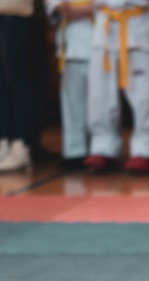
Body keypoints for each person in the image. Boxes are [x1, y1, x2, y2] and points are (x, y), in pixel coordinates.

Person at [84, 0, 149, 174]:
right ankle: (103, 146)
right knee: (100, 95)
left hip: (137, 26)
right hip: (104, 27)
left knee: (144, 96)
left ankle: (145, 148)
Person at [46, 0, 93, 170]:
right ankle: (74, 152)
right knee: (72, 102)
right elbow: (58, 8)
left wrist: (88, 9)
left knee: (100, 105)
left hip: (101, 41)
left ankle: (100, 150)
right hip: (70, 43)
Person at [0, 0, 45, 172]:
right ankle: (4, 141)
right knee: (2, 85)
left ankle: (22, 144)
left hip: (18, 13)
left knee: (18, 81)